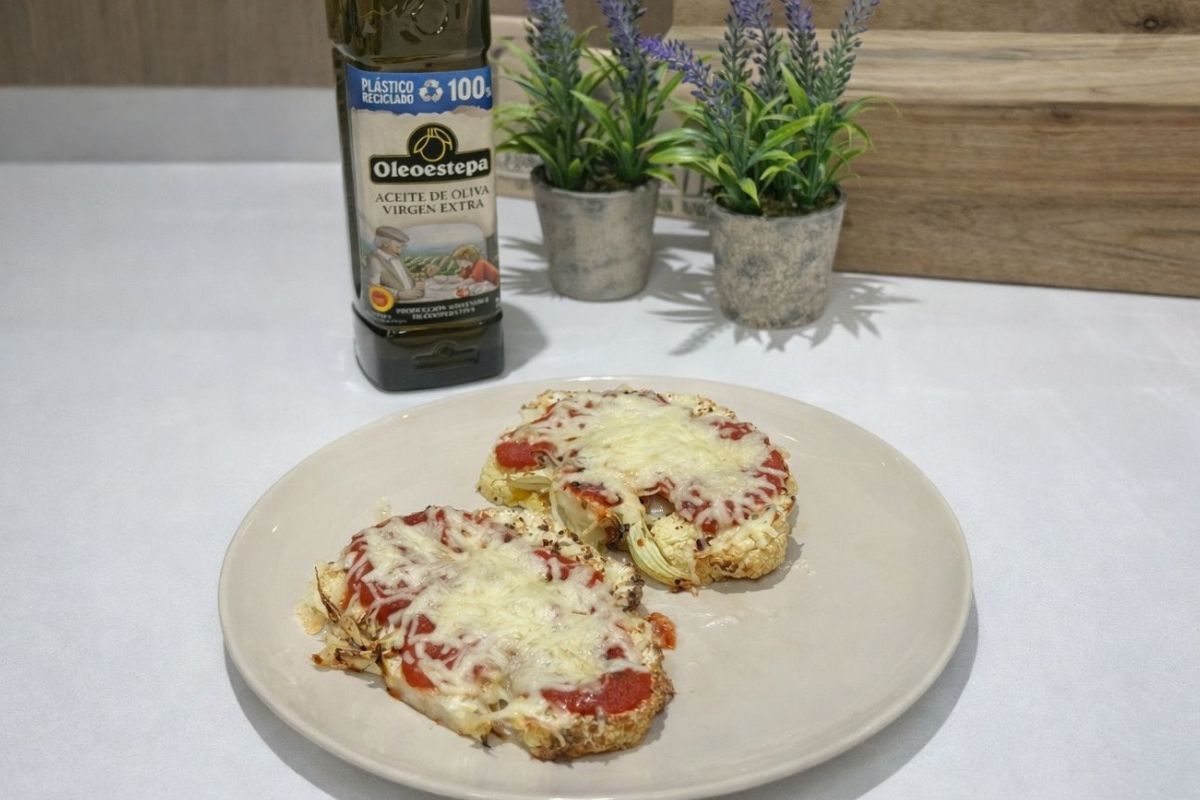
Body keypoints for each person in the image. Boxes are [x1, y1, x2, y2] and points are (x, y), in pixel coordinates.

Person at [365, 226, 424, 300]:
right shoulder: (374, 260)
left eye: (402, 247)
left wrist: (415, 284)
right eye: (398, 247)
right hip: (393, 302)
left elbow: (403, 278)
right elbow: (373, 286)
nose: (400, 251)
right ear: (385, 243)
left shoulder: (396, 257)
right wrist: (399, 294)